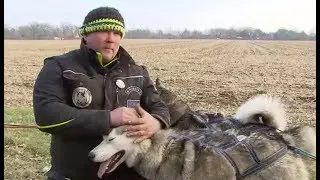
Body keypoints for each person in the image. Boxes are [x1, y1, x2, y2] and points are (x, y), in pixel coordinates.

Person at [33, 6, 171, 180]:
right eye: (104, 31)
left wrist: (156, 122)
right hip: (74, 172)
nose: (111, 39)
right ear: (85, 35)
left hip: (128, 174)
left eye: (117, 33)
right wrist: (109, 118)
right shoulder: (59, 66)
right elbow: (47, 114)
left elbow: (160, 107)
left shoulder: (137, 71)